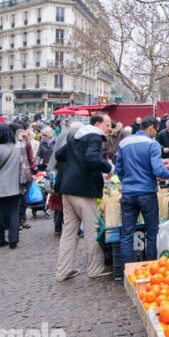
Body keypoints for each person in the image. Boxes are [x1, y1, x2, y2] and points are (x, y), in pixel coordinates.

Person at [55, 114, 113, 280]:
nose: (110, 128)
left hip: (67, 190)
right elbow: (91, 157)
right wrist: (108, 167)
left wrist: (73, 167)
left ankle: (63, 270)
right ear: (97, 124)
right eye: (107, 125)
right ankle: (95, 268)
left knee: (68, 232)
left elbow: (59, 154)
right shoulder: (94, 136)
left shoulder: (76, 137)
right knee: (91, 230)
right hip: (84, 190)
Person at [116, 116, 169, 263]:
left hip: (128, 194)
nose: (156, 133)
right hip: (147, 193)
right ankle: (150, 267)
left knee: (127, 234)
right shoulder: (152, 144)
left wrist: (127, 184)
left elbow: (119, 170)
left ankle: (127, 270)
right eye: (156, 129)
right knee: (151, 232)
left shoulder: (124, 143)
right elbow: (158, 171)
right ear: (151, 128)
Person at [0, 124, 23, 249]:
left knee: (0, 211)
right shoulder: (18, 147)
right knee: (14, 211)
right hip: (15, 184)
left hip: (1, 185)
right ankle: (14, 239)